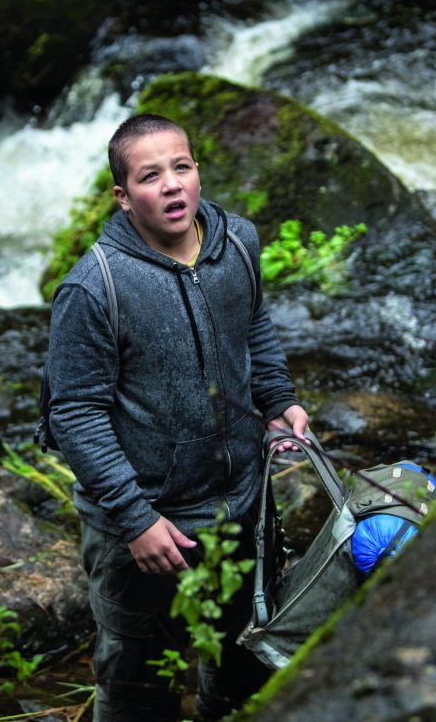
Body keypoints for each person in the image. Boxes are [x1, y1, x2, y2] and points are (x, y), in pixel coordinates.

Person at [46, 113, 309, 721]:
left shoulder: (237, 242)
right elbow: (75, 414)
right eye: (150, 176)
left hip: (241, 507)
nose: (171, 185)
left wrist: (279, 400)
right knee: (138, 690)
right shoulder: (95, 287)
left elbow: (254, 325)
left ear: (198, 172)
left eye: (181, 167)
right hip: (145, 530)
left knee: (244, 666)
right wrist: (136, 519)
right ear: (123, 196)